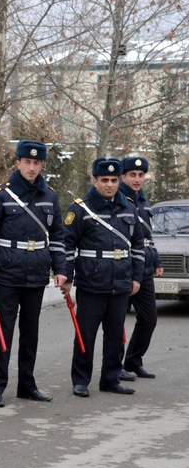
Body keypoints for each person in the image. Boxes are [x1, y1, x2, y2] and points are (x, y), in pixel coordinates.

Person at [0, 140, 68, 408]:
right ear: (17, 163)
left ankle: (27, 385)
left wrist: (61, 269)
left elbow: (57, 236)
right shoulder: (0, 195)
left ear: (42, 165)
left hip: (37, 272)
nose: (31, 167)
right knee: (3, 332)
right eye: (27, 162)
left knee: (31, 333)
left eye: (36, 163)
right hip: (8, 271)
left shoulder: (49, 196)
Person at [62, 158, 144, 398]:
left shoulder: (129, 207)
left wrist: (137, 277)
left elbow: (138, 245)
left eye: (114, 180)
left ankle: (111, 379)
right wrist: (66, 276)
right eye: (104, 180)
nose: (110, 184)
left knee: (115, 335)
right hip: (91, 283)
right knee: (85, 335)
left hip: (121, 282)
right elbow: (67, 244)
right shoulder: (80, 209)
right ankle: (81, 381)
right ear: (94, 180)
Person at [118, 156, 162, 380]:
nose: (137, 179)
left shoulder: (143, 201)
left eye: (141, 175)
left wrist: (156, 261)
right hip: (124, 266)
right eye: (132, 175)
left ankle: (133, 361)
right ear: (123, 177)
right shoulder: (118, 200)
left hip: (144, 268)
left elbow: (147, 236)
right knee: (116, 321)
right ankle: (115, 366)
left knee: (149, 318)